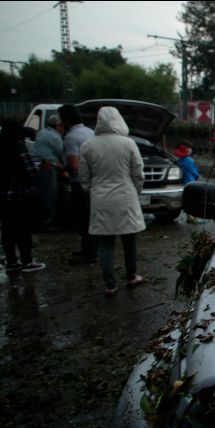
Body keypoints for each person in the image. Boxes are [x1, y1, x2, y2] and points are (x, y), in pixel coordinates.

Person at [79, 106, 146, 297]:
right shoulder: (128, 144)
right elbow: (138, 173)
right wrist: (135, 190)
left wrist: (93, 190)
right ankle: (132, 276)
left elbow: (84, 177)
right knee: (129, 240)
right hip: (125, 196)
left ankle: (110, 285)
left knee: (105, 244)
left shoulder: (88, 145)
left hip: (100, 199)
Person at [0, 120, 45, 272]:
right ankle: (27, 261)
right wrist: (41, 169)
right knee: (23, 230)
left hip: (3, 198)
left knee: (7, 230)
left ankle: (12, 261)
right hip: (20, 196)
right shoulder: (19, 148)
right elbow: (31, 172)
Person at [58, 104, 97, 264]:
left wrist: (61, 168)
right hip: (94, 182)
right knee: (91, 219)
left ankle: (88, 253)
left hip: (79, 183)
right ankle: (91, 249)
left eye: (62, 120)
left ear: (67, 120)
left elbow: (74, 165)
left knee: (83, 220)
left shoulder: (71, 137)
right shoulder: (90, 132)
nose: (61, 123)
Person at [31, 114, 65, 228]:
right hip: (48, 166)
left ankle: (42, 220)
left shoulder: (42, 132)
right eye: (62, 126)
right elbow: (61, 153)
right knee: (49, 195)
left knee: (42, 193)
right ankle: (47, 222)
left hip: (39, 165)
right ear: (57, 126)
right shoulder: (54, 136)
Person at [173, 141, 204, 224]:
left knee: (187, 199)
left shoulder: (180, 160)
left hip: (184, 183)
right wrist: (198, 176)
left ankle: (189, 216)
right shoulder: (189, 160)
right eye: (189, 148)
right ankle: (192, 217)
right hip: (191, 182)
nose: (190, 150)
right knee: (193, 200)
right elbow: (194, 172)